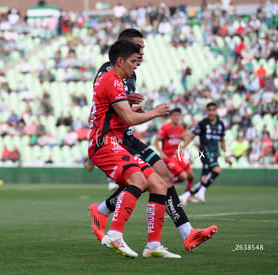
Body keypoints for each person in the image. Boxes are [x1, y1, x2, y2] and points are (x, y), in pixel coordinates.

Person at [89, 28, 216, 254]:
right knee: (144, 180)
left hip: (127, 134)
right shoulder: (108, 72)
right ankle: (108, 219)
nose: (142, 52)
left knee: (161, 179)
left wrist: (128, 102)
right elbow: (107, 102)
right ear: (125, 49)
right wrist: (149, 112)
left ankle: (171, 238)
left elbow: (117, 104)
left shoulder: (128, 74)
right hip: (115, 136)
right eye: (138, 48)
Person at [89, 39, 181, 258]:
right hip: (104, 144)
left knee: (159, 184)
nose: (136, 65)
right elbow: (128, 119)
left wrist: (132, 106)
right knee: (138, 180)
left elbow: (117, 113)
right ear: (120, 61)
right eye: (132, 61)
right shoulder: (111, 80)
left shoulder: (118, 82)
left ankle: (153, 246)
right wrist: (155, 113)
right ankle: (114, 234)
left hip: (115, 142)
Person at [179, 102, 231, 205]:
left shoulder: (220, 124)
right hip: (205, 152)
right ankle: (201, 192)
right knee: (216, 170)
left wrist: (226, 154)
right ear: (206, 111)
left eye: (213, 110)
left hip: (215, 153)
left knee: (204, 178)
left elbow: (222, 140)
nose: (211, 112)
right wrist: (183, 147)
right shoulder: (202, 123)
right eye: (209, 110)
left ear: (216, 111)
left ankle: (185, 196)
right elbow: (192, 135)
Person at [154, 108, 197, 203]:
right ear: (170, 117)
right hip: (169, 157)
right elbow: (156, 141)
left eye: (178, 115)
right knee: (184, 176)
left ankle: (186, 196)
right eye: (175, 115)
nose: (177, 117)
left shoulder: (181, 128)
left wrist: (184, 146)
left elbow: (187, 138)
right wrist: (161, 152)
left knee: (191, 175)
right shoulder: (165, 128)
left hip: (178, 156)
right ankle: (162, 184)